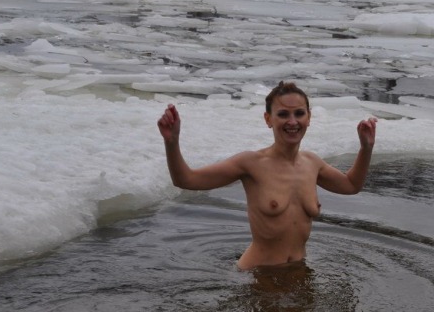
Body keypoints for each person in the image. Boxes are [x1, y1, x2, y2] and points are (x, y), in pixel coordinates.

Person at [157, 81, 377, 270]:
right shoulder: (251, 164)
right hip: (258, 277)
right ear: (268, 119)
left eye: (299, 113)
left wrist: (366, 148)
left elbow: (350, 185)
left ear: (309, 118)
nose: (292, 121)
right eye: (283, 114)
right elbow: (186, 180)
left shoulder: (312, 163)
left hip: (299, 272)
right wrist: (171, 142)